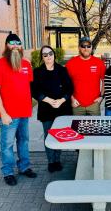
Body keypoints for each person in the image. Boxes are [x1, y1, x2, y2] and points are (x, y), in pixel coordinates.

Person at [0, 33, 37, 186]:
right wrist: (3, 114)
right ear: (6, 46)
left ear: (21, 46)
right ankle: (8, 172)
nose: (15, 46)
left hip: (24, 113)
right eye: (11, 43)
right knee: (7, 145)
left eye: (18, 43)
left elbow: (26, 86)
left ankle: (24, 167)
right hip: (8, 115)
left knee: (24, 141)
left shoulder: (26, 65)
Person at [31, 45, 73, 173]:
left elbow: (69, 88)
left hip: (61, 108)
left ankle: (57, 160)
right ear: (42, 58)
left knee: (59, 135)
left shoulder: (62, 70)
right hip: (46, 108)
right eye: (45, 55)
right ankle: (51, 161)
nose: (48, 56)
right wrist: (48, 100)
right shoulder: (37, 72)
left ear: (54, 55)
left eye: (50, 53)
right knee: (49, 135)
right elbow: (34, 90)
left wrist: (61, 100)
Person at [66, 37, 106, 115]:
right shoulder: (71, 63)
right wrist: (72, 98)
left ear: (92, 47)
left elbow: (105, 81)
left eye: (88, 46)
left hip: (94, 104)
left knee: (95, 127)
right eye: (83, 46)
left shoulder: (99, 63)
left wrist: (102, 96)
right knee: (77, 127)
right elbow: (65, 83)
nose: (86, 48)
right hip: (77, 104)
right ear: (79, 47)